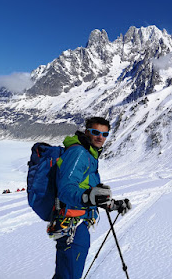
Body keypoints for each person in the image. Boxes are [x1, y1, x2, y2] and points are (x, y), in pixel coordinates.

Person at [52, 116, 131, 279]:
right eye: (95, 132)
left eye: (104, 134)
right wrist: (88, 197)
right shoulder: (79, 153)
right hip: (71, 225)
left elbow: (86, 191)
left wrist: (112, 204)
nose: (100, 137)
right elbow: (66, 189)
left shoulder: (90, 154)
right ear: (87, 132)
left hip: (77, 223)